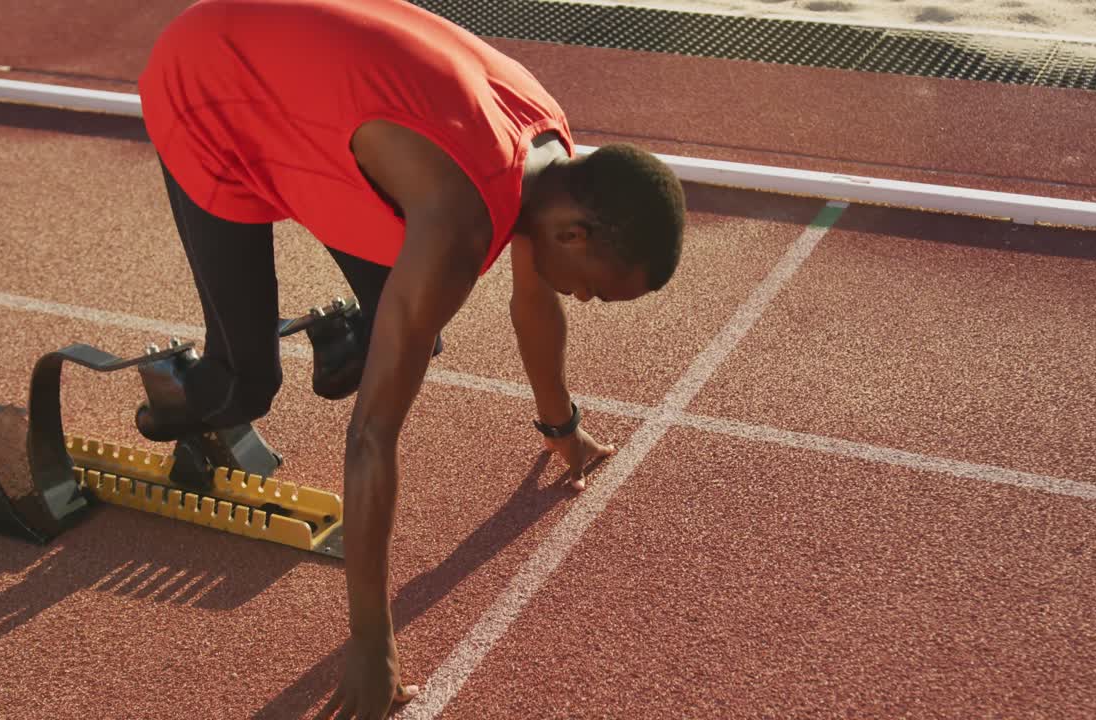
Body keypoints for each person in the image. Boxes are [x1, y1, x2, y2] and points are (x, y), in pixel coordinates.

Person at [136, 0, 686, 716]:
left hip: (294, 77)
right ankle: (175, 392)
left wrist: (563, 426)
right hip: (209, 83)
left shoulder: (548, 151)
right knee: (250, 382)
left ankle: (351, 337)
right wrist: (372, 644)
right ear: (575, 234)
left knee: (411, 330)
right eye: (596, 291)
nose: (582, 300)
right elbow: (371, 437)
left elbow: (534, 301)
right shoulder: (460, 221)